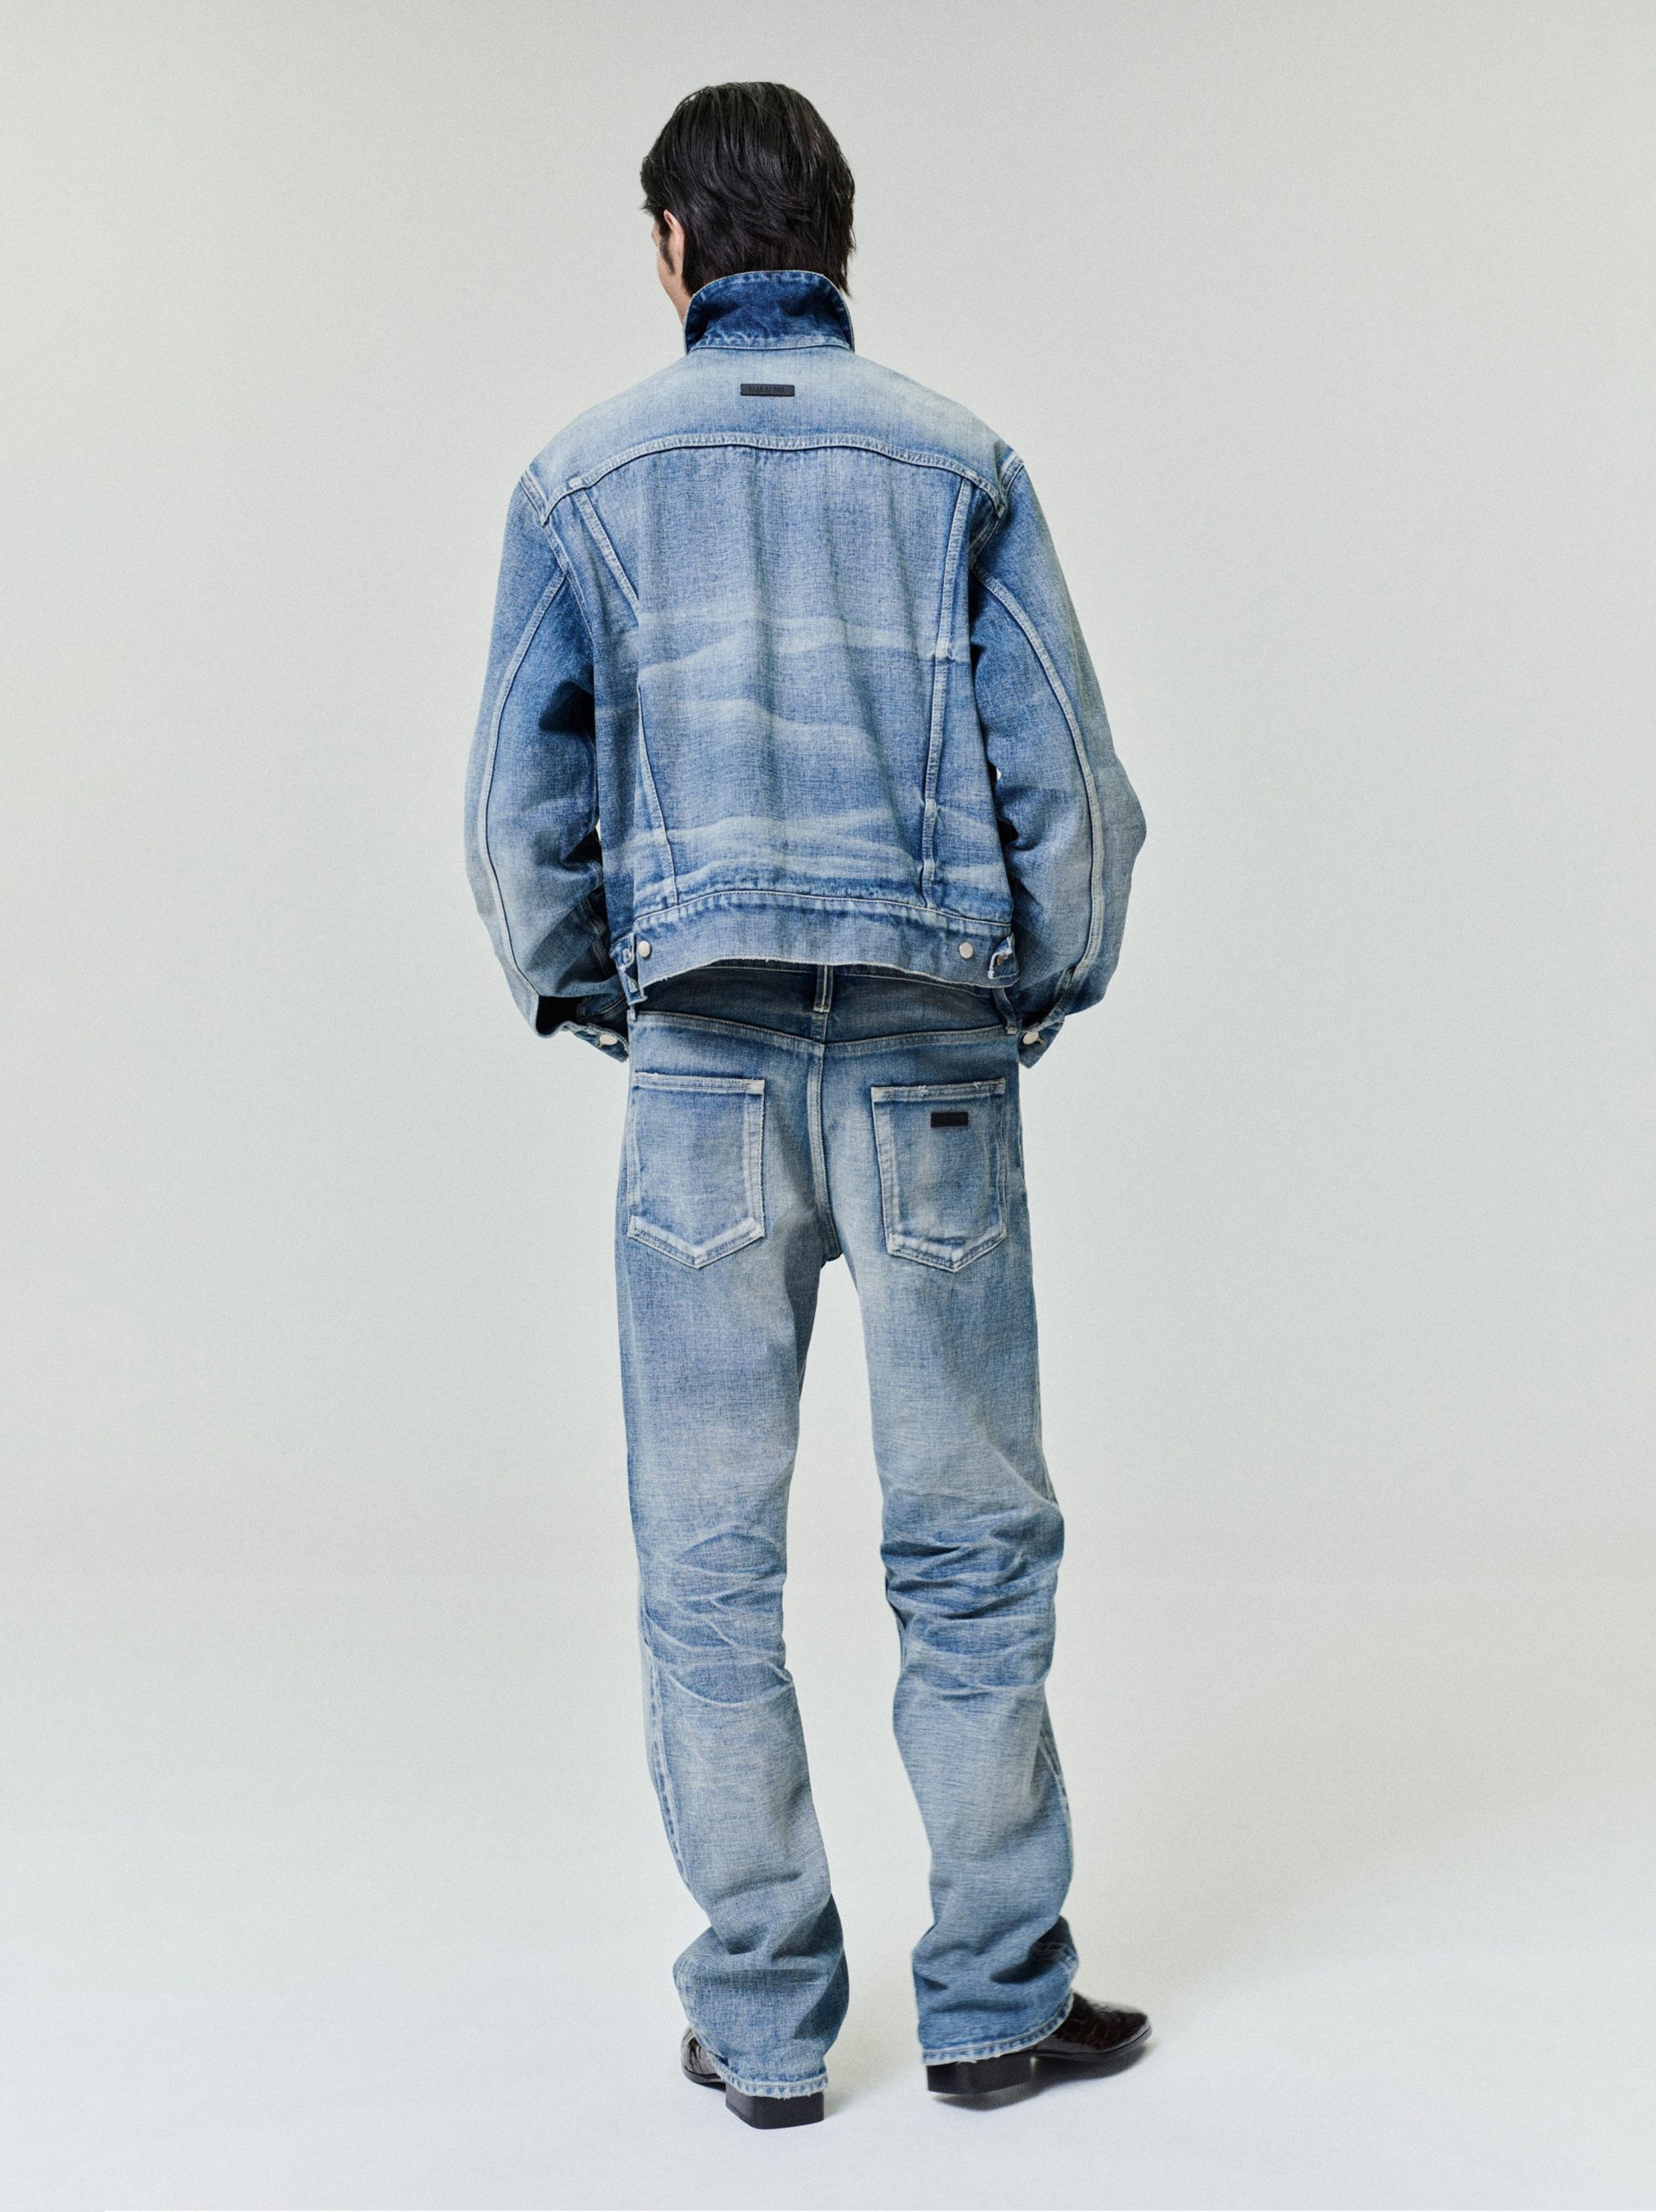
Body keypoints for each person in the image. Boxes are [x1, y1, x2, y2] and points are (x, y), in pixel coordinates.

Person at [464, 80, 1150, 2130]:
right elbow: (1076, 799)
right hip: (931, 1057)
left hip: (701, 1063)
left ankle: (764, 2026)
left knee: (705, 1565)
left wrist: (612, 994)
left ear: (674, 247)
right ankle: (993, 2001)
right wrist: (1024, 988)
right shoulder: (957, 463)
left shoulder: (582, 478)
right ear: (835, 238)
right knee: (969, 1547)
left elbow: (514, 814)